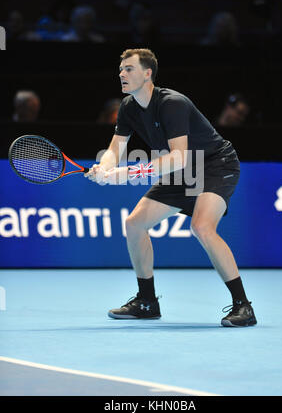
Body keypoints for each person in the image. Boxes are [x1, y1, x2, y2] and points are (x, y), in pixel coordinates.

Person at [85, 48, 257, 327]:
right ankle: (146, 301)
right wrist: (104, 168)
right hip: (181, 173)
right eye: (121, 69)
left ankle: (243, 306)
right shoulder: (129, 106)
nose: (122, 74)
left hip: (214, 165)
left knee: (202, 227)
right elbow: (115, 148)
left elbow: (179, 157)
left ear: (147, 73)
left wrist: (126, 173)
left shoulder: (171, 103)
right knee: (134, 224)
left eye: (129, 68)